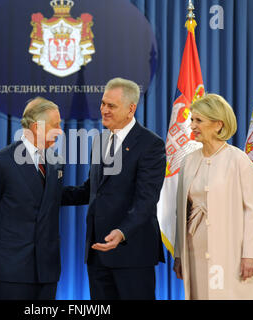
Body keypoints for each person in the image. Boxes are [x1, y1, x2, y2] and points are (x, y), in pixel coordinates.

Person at [62, 77, 166, 300]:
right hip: (98, 253)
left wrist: (122, 232)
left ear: (131, 109)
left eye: (111, 105)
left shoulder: (151, 144)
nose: (104, 110)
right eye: (102, 103)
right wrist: (49, 193)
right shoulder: (100, 141)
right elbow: (91, 190)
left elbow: (146, 200)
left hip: (132, 253)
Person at [173, 94, 253, 300]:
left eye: (198, 120)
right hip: (194, 249)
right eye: (192, 120)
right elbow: (181, 212)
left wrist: (250, 253)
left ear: (218, 124)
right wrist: (179, 254)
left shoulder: (239, 159)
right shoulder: (188, 161)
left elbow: (251, 210)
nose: (192, 125)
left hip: (230, 251)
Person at [0, 97, 64, 300]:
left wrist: (94, 188)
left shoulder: (54, 160)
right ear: (36, 127)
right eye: (56, 125)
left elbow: (50, 197)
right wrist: (3, 246)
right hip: (11, 270)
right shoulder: (0, 163)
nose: (60, 131)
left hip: (47, 270)